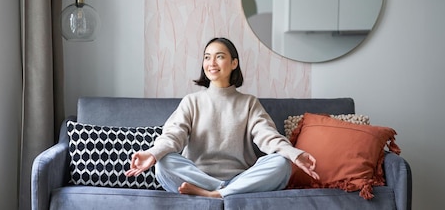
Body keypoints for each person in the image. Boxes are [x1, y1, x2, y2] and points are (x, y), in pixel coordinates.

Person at [125, 37, 319, 198]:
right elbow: (173, 136)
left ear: (234, 63)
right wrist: (152, 154)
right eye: (207, 57)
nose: (212, 63)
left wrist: (294, 154)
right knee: (164, 163)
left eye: (219, 57)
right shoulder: (191, 101)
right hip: (198, 176)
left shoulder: (249, 103)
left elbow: (267, 136)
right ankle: (225, 190)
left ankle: (216, 193)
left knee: (281, 164)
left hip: (241, 176)